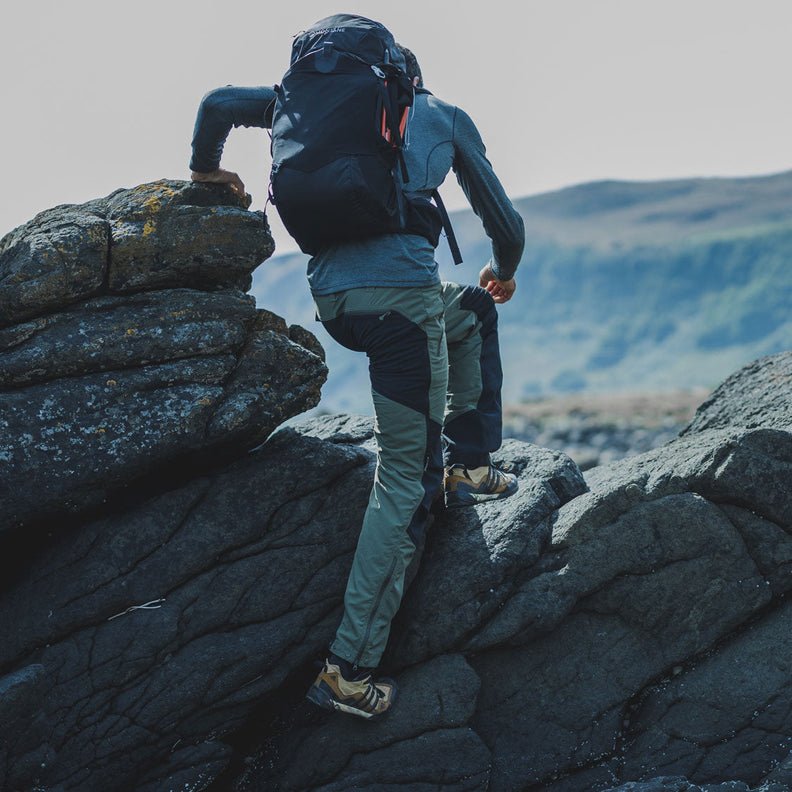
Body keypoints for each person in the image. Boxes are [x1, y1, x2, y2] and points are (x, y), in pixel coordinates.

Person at [189, 21, 525, 720]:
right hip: (400, 312)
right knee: (405, 481)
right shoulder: (436, 114)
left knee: (468, 313)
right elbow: (506, 224)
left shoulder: (292, 101)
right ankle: (349, 668)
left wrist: (206, 172)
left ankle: (472, 460)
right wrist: (505, 268)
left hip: (337, 304)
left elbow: (217, 102)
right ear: (402, 71)